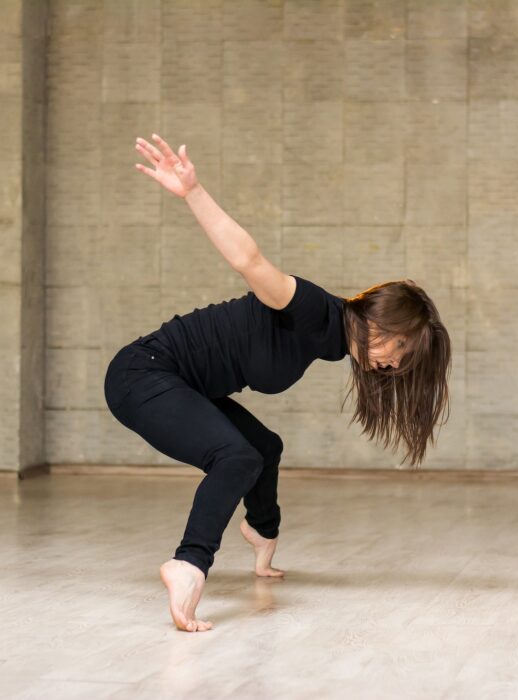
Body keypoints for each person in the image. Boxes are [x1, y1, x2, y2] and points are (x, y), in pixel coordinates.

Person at [103, 133, 452, 633]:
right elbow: (250, 261)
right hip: (142, 374)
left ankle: (261, 535)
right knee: (236, 456)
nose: (389, 366)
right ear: (375, 319)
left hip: (178, 381)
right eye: (392, 349)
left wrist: (265, 533)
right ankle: (189, 564)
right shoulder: (313, 309)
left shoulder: (334, 340)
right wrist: (193, 192)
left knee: (263, 446)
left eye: (398, 362)